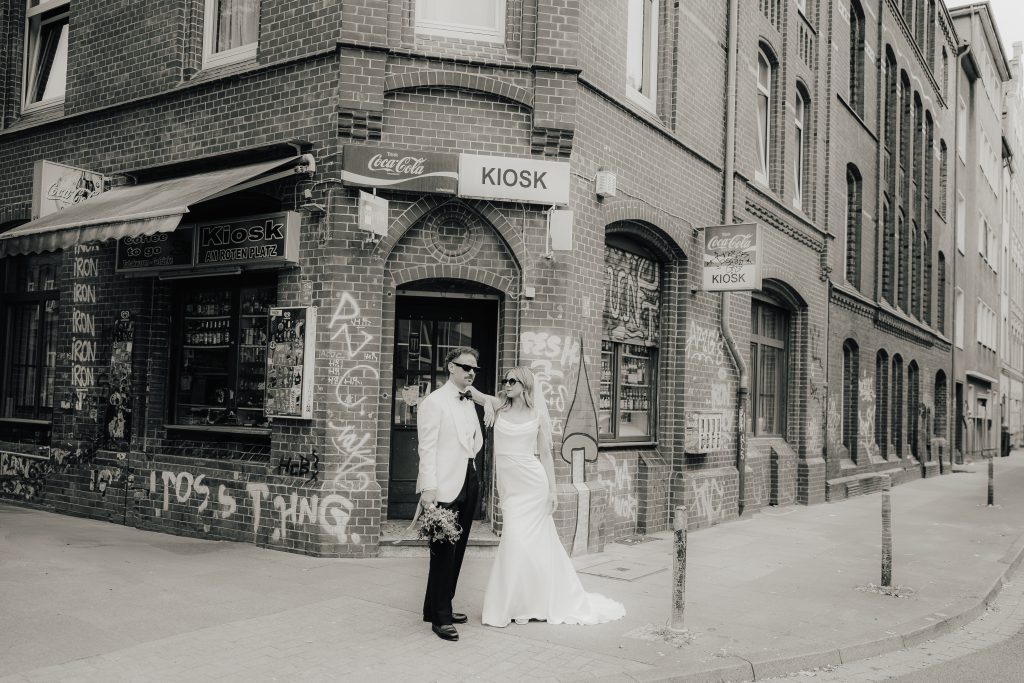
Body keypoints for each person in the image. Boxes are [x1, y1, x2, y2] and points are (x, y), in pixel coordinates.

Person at [472, 366, 625, 627]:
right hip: (511, 489)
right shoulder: (499, 406)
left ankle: (529, 605)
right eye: (505, 380)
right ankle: (520, 604)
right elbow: (471, 391)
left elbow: (545, 455)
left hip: (533, 485)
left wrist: (552, 490)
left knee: (528, 544)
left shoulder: (537, 414)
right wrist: (486, 402)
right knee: (515, 541)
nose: (507, 384)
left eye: (513, 381)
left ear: (525, 385)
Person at [416, 346, 484, 642]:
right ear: (450, 367)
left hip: (469, 478)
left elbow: (472, 441)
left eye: (475, 369)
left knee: (457, 550)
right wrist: (429, 487)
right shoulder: (434, 402)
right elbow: (427, 448)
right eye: (466, 367)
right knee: (443, 552)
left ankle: (435, 606)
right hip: (444, 485)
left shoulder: (468, 399)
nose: (471, 373)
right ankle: (440, 618)